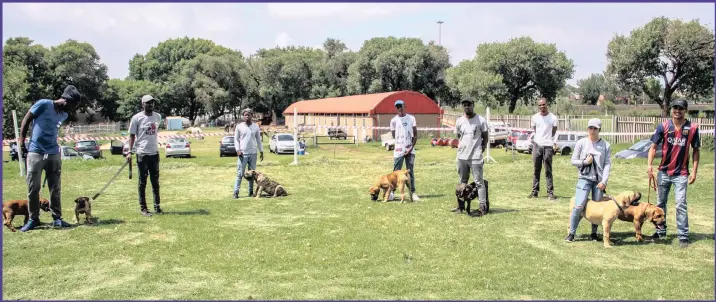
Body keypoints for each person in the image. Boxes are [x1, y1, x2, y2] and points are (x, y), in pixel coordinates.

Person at [17, 85, 81, 232]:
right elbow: (26, 120)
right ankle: (34, 219)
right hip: (36, 151)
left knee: (55, 187)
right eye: (73, 105)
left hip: (53, 152)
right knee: (33, 188)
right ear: (66, 100)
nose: (72, 109)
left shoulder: (64, 115)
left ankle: (57, 218)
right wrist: (21, 143)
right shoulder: (44, 104)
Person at [648, 99, 700, 248]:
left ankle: (683, 236)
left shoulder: (693, 128)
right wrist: (649, 165)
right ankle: (660, 231)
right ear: (671, 109)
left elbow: (696, 151)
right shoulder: (663, 126)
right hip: (663, 172)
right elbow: (653, 147)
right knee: (660, 204)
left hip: (681, 173)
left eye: (681, 108)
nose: (678, 111)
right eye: (675, 108)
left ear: (685, 110)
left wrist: (694, 172)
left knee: (680, 204)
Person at [565, 118, 612, 243]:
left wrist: (604, 181)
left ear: (599, 130)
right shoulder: (581, 143)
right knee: (579, 205)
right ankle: (571, 233)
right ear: (587, 129)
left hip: (598, 181)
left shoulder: (605, 145)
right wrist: (585, 162)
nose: (592, 130)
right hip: (584, 178)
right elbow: (573, 161)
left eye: (595, 128)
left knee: (597, 207)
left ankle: (594, 233)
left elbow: (607, 164)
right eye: (590, 128)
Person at [126, 95, 163, 217]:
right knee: (143, 182)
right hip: (142, 154)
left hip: (154, 153)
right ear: (142, 104)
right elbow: (132, 136)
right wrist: (129, 151)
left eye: (152, 102)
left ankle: (157, 206)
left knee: (155, 182)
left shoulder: (157, 117)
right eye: (148, 103)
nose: (150, 105)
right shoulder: (137, 118)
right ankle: (143, 208)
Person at [453, 98, 489, 216]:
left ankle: (482, 207)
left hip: (476, 156)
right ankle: (461, 206)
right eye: (464, 105)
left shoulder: (481, 120)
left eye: (469, 105)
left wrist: (482, 148)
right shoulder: (459, 121)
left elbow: (485, 137)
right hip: (462, 156)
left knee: (479, 182)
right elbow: (459, 136)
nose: (467, 107)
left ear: (473, 105)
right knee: (462, 182)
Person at [390, 100, 419, 201]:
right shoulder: (393, 121)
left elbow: (415, 135)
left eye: (401, 106)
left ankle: (413, 192)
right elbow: (394, 135)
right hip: (398, 149)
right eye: (397, 107)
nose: (399, 109)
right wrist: (399, 144)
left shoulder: (411, 118)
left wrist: (410, 147)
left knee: (410, 171)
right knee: (396, 172)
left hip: (410, 148)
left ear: (404, 106)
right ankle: (392, 193)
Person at [529, 98, 558, 200]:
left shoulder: (553, 118)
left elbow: (553, 131)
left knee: (548, 171)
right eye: (540, 105)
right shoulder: (535, 118)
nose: (542, 107)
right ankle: (534, 192)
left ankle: (550, 193)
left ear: (547, 104)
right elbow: (535, 130)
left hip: (548, 146)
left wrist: (548, 139)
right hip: (537, 146)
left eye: (544, 104)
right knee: (536, 170)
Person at [233, 108, 264, 199]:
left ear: (252, 116)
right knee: (240, 174)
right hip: (242, 154)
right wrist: (238, 150)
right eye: (245, 115)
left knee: (252, 174)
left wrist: (261, 150)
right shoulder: (239, 126)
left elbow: (258, 139)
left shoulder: (255, 126)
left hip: (253, 153)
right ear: (243, 116)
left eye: (248, 115)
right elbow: (236, 139)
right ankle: (236, 192)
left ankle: (250, 191)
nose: (247, 116)